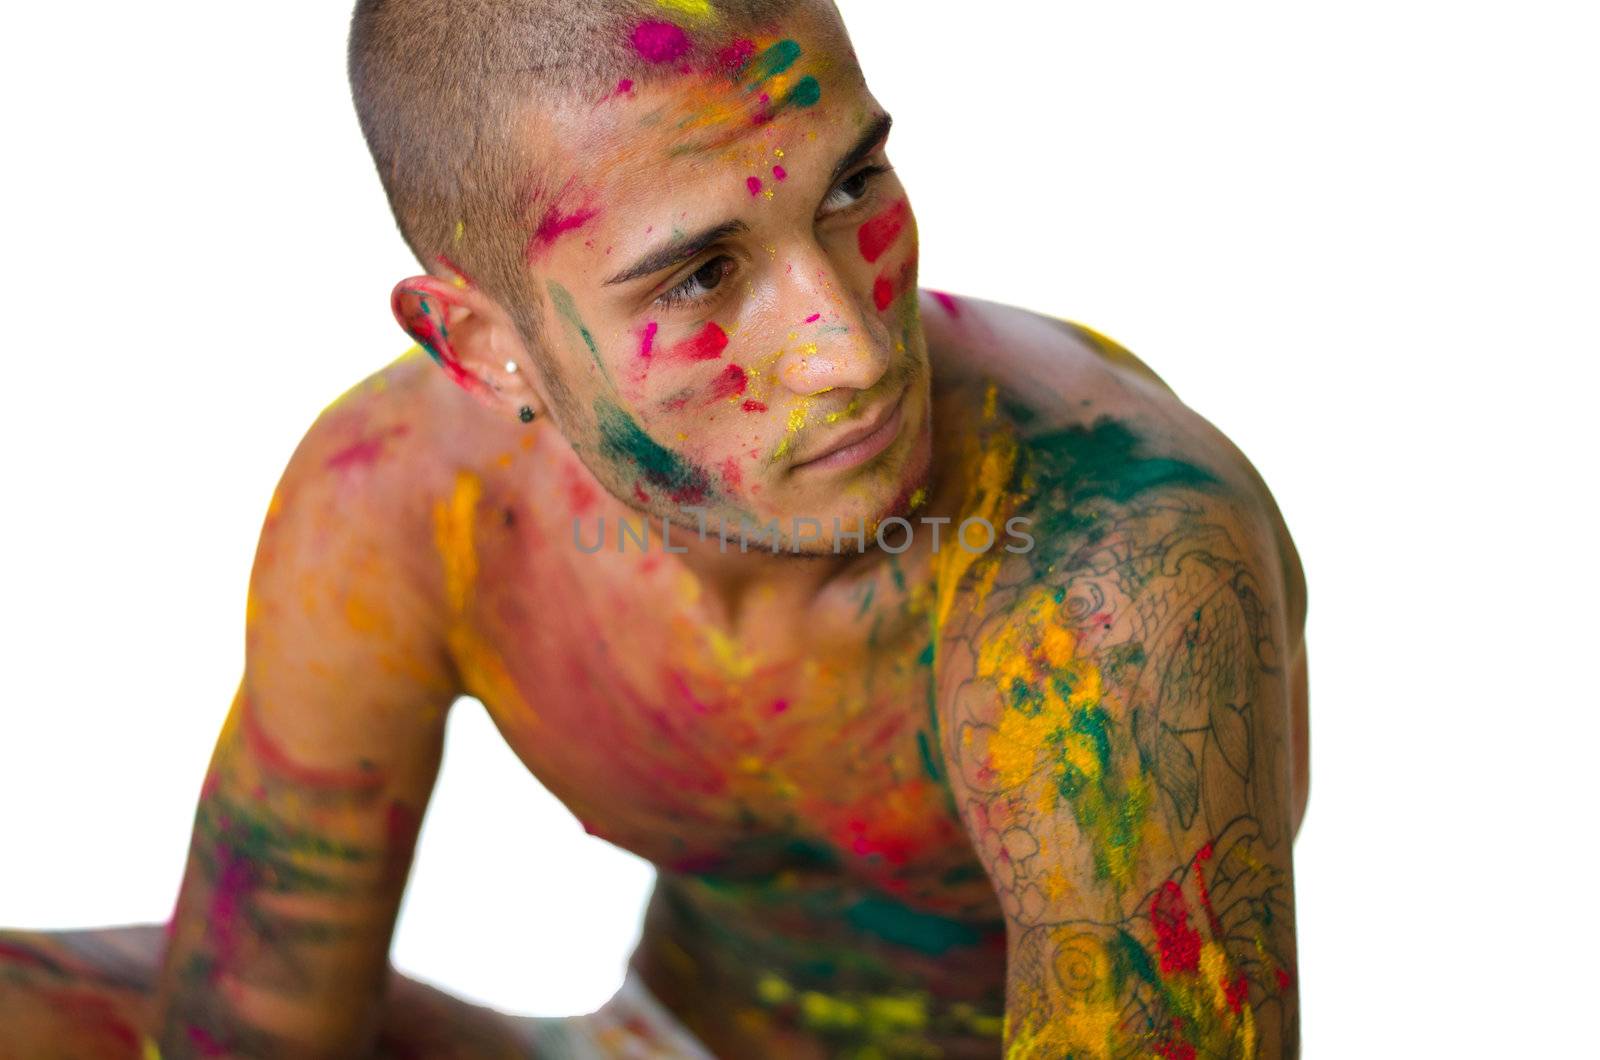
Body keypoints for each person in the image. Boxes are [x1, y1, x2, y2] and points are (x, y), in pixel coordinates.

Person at [0, 0, 1309, 1056]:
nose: (847, 348)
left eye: (852, 186)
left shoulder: (1109, 575)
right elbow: (254, 1026)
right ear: (479, 345)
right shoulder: (403, 500)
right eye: (702, 274)